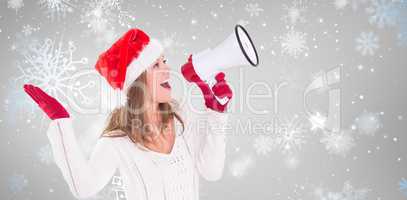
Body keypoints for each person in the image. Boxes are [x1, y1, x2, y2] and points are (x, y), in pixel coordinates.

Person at [23, 28, 232, 200]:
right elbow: (84, 187)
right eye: (156, 65)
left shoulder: (181, 117)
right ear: (136, 83)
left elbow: (211, 172)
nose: (168, 69)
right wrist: (61, 124)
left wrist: (217, 113)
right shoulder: (117, 141)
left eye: (164, 60)